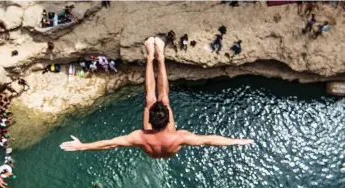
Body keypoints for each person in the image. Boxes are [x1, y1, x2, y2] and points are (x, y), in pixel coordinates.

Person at [60, 37, 253, 158]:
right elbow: (209, 140)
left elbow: (110, 143)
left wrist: (82, 146)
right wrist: (235, 141)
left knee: (151, 99)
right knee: (163, 99)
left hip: (149, 148)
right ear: (168, 120)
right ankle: (159, 56)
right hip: (169, 148)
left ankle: (151, 56)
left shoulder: (140, 137)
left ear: (149, 122)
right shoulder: (179, 137)